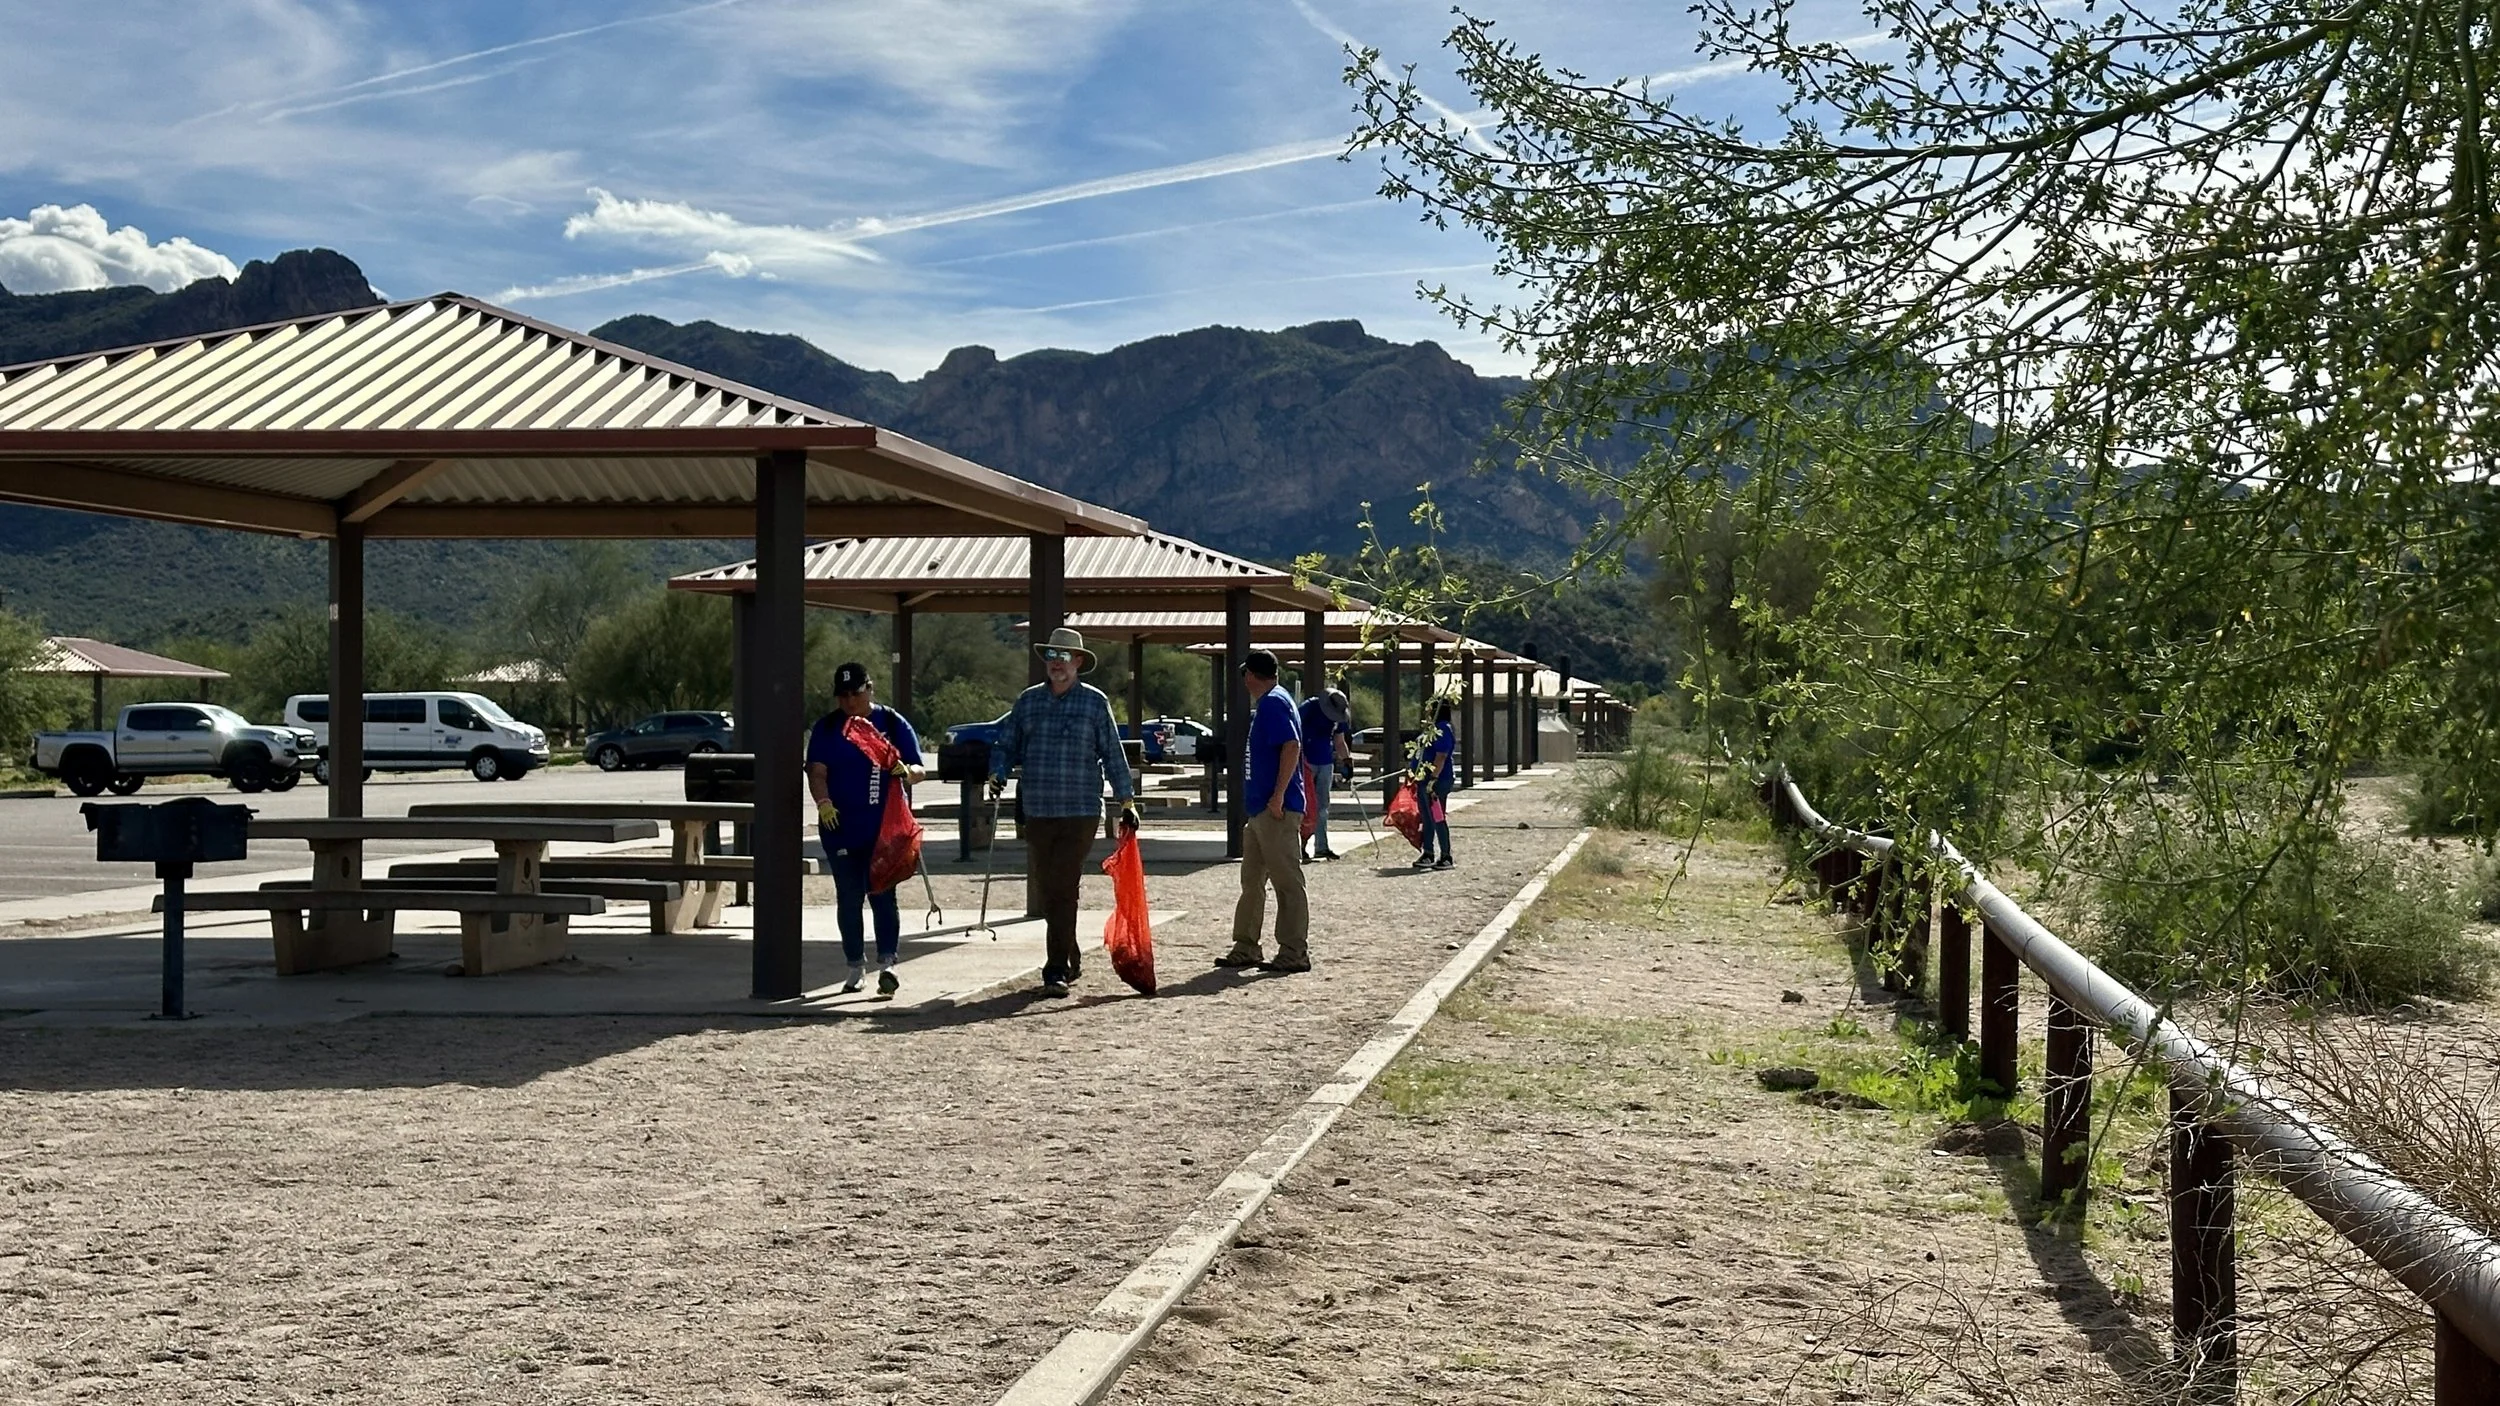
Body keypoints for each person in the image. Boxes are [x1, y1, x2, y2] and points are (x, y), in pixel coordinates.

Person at [990, 627, 1138, 997]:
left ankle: (1054, 968)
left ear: (1078, 662)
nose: (1057, 663)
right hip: (1038, 808)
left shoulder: (1094, 702)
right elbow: (1006, 744)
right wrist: (998, 771)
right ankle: (1070, 954)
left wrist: (1127, 801)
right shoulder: (1028, 701)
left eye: (1064, 656)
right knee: (1048, 888)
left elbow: (1113, 753)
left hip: (1080, 809)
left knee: (1063, 883)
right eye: (1052, 656)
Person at [806, 661, 923, 995]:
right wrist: (823, 802)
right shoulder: (827, 727)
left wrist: (907, 772)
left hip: (884, 828)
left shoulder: (891, 722)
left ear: (869, 689)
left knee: (883, 894)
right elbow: (817, 771)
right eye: (842, 696)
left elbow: (919, 768)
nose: (848, 701)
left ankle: (888, 964)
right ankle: (855, 965)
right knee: (849, 897)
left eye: (855, 694)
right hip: (841, 827)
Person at [1218, 650, 1311, 974]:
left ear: (1251, 675)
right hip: (1260, 810)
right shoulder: (1271, 703)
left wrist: (1278, 795)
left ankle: (1294, 951)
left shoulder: (1274, 703)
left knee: (1287, 882)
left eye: (1245, 673)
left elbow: (1292, 746)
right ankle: (1246, 945)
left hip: (1276, 810)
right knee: (1252, 880)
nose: (1243, 680)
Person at [1299, 681, 1353, 862]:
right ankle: (1300, 846)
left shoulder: (1338, 716)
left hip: (1325, 763)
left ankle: (1321, 846)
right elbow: (1294, 731)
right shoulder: (1309, 707)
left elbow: (1339, 740)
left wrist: (1347, 760)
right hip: (1305, 761)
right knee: (1304, 805)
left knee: (1322, 806)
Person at [1412, 696, 1457, 871]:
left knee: (1437, 817)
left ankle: (1446, 855)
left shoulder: (1443, 728)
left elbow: (1441, 756)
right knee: (1427, 818)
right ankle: (1428, 853)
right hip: (1423, 779)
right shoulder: (1431, 729)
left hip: (1437, 781)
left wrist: (1433, 778)